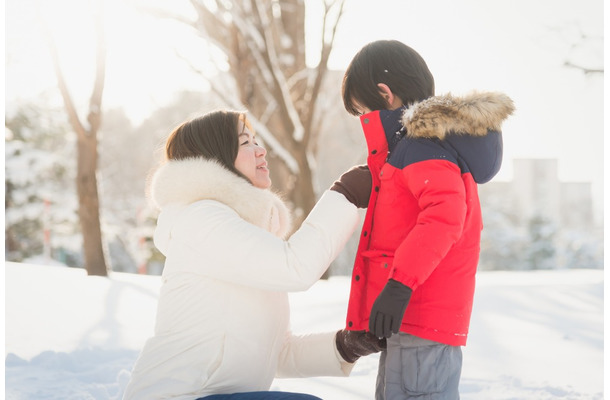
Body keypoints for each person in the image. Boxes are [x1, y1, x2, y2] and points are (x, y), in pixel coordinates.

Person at [122, 110, 385, 400]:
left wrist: (344, 346)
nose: (261, 150)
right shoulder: (202, 220)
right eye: (246, 142)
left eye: (257, 140)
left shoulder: (238, 232)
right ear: (217, 156)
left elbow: (277, 352)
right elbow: (295, 268)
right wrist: (345, 194)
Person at [340, 40, 515, 400]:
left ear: (384, 94)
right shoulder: (419, 147)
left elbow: (445, 218)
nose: (363, 122)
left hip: (418, 314)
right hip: (410, 320)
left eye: (361, 111)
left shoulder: (421, 147)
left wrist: (399, 284)